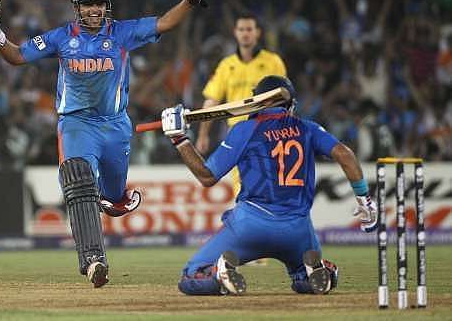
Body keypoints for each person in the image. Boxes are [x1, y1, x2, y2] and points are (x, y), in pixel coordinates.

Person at [0, 0, 211, 288]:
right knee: (78, 178)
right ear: (78, 8)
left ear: (106, 7)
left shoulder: (122, 33)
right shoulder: (61, 37)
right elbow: (17, 56)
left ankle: (117, 200)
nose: (94, 10)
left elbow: (165, 23)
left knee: (113, 197)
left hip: (115, 127)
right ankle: (93, 261)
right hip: (77, 124)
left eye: (99, 5)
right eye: (87, 5)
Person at [160, 75, 377, 295]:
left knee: (191, 276)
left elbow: (207, 177)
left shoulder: (244, 130)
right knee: (302, 281)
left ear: (256, 102)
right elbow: (345, 154)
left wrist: (179, 137)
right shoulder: (307, 128)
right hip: (298, 230)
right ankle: (318, 271)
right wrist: (364, 200)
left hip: (251, 225)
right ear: (290, 105)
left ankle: (218, 272)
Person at [196, 15, 287, 196]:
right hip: (238, 132)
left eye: (249, 29)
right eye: (242, 30)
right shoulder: (226, 65)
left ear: (257, 33)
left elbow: (285, 98)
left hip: (267, 130)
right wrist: (203, 134)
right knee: (241, 183)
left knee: (272, 180)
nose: (245, 34)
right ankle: (247, 216)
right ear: (235, 33)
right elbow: (211, 101)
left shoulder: (273, 62)